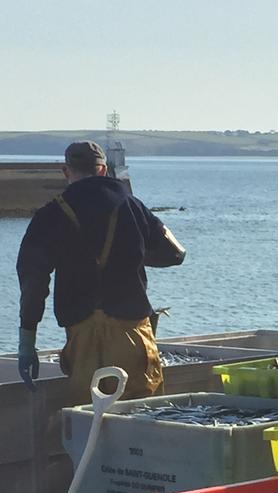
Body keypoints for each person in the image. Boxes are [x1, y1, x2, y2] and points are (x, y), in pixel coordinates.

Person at [17, 140, 186, 403]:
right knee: (140, 417)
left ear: (66, 171)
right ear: (103, 170)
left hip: (81, 336)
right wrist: (131, 258)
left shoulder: (49, 216)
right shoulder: (133, 206)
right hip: (132, 332)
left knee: (90, 422)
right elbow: (176, 254)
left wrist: (27, 340)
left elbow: (33, 283)